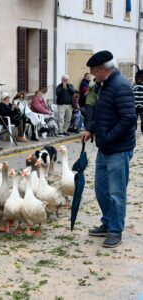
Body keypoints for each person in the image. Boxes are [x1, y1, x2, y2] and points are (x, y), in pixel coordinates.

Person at [82, 50, 137, 248]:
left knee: (116, 193)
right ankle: (107, 222)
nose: (92, 75)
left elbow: (129, 118)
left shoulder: (120, 85)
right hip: (105, 147)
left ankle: (115, 230)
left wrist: (109, 136)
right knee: (101, 189)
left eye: (93, 71)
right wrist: (90, 129)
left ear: (102, 69)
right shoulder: (103, 85)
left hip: (118, 149)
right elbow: (102, 114)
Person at [132, 69, 143, 133]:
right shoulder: (133, 86)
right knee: (134, 119)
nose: (139, 80)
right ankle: (134, 130)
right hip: (135, 106)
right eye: (138, 78)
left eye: (141, 78)